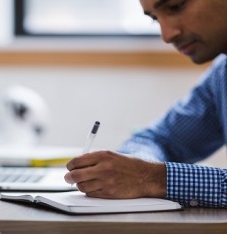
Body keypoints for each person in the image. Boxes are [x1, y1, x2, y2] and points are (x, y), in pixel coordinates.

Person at [64, 0, 227, 208]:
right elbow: (159, 139)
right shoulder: (221, 75)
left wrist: (152, 178)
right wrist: (132, 167)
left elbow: (150, 172)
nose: (167, 36)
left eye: (176, 7)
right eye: (154, 19)